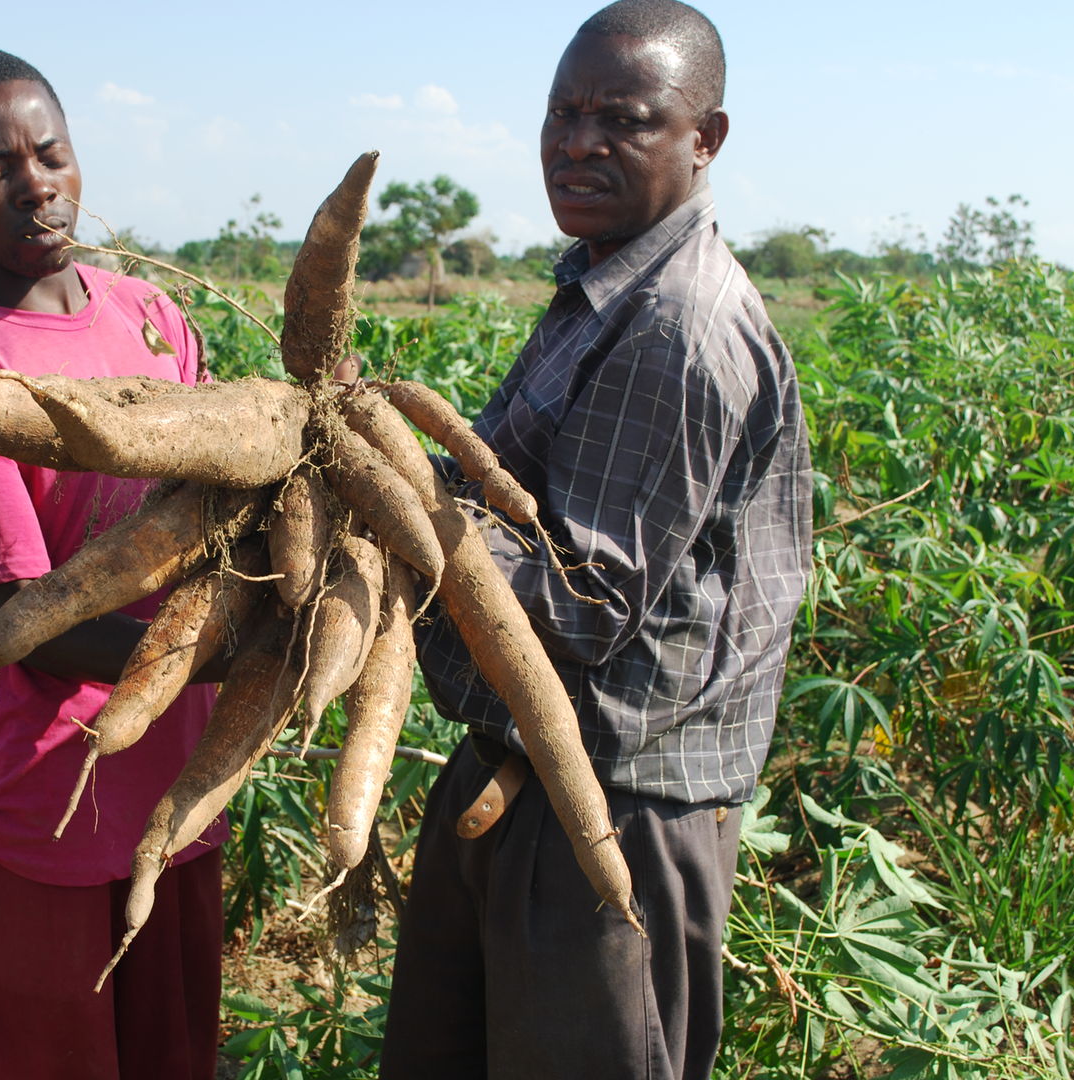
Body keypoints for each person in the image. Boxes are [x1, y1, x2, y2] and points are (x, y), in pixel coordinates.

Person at [379, 3, 813, 1079]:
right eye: (563, 113)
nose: (578, 143)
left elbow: (576, 600)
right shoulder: (601, 287)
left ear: (705, 138)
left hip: (605, 823)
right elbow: (504, 503)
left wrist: (393, 510)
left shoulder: (674, 327)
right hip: (519, 779)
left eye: (623, 120)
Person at [0, 47, 224, 1080]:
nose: (35, 185)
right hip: (47, 805)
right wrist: (232, 648)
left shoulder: (155, 319)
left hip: (176, 789)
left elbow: (212, 516)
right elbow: (28, 624)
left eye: (51, 153)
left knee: (174, 1059)